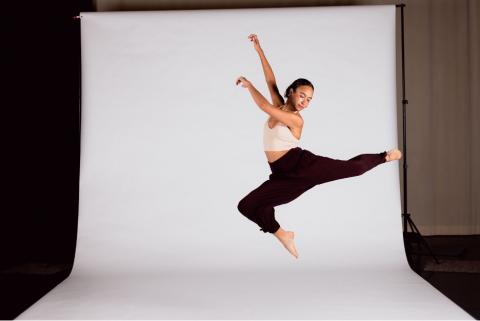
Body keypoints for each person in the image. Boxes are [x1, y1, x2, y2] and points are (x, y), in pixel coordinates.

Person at [235, 34, 402, 259]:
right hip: (282, 175)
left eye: (309, 99)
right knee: (247, 206)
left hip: (304, 166)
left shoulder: (295, 119)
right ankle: (282, 234)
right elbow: (271, 81)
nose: (305, 101)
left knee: (351, 168)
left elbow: (264, 106)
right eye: (302, 95)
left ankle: (384, 156)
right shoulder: (281, 106)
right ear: (291, 92)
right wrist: (259, 51)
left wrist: (248, 85)